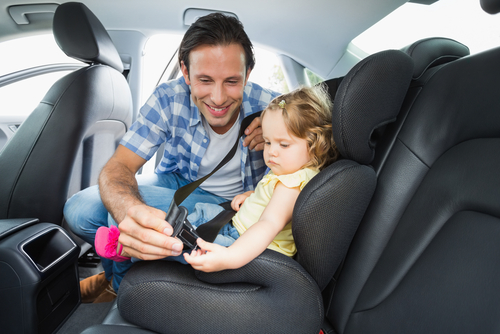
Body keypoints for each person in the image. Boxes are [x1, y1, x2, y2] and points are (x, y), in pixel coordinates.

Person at [63, 12, 280, 303]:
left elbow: (324, 138)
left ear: (248, 75)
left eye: (231, 81)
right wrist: (130, 209)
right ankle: (120, 271)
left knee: (119, 216)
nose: (217, 98)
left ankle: (118, 286)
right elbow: (119, 168)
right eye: (204, 80)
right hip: (178, 182)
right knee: (80, 209)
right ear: (186, 73)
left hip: (231, 206)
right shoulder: (168, 97)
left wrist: (277, 129)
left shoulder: (275, 109)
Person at [94, 84, 339, 273]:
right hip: (240, 227)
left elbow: (269, 225)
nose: (271, 151)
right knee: (202, 211)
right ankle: (143, 237)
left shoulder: (291, 184)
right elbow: (273, 200)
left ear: (316, 144)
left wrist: (229, 257)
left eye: (283, 144)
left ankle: (126, 249)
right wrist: (252, 196)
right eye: (267, 142)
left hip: (249, 245)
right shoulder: (291, 172)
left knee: (193, 245)